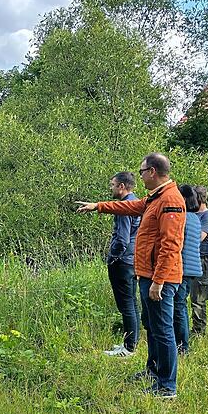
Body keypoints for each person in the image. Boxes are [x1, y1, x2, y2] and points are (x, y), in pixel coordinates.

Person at [76, 152, 185, 399]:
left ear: (153, 172)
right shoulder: (154, 198)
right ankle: (153, 372)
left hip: (161, 278)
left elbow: (171, 245)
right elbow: (131, 206)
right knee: (153, 327)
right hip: (147, 274)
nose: (140, 176)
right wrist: (98, 206)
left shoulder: (170, 200)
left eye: (142, 171)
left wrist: (159, 281)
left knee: (163, 330)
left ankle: (167, 387)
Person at [102, 172, 141, 357]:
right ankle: (130, 343)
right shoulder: (136, 203)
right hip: (134, 260)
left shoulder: (125, 207)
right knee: (132, 303)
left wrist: (113, 257)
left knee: (126, 304)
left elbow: (122, 239)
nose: (111, 188)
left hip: (123, 262)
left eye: (113, 185)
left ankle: (129, 348)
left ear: (122, 186)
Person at [175, 185, 203, 355]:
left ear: (183, 199)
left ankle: (182, 346)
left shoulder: (182, 217)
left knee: (178, 307)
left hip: (183, 268)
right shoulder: (194, 218)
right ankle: (181, 344)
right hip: (191, 268)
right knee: (180, 305)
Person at [190, 186, 208, 335]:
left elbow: (198, 238)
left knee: (198, 298)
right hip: (189, 259)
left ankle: (198, 330)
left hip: (202, 260)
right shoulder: (192, 214)